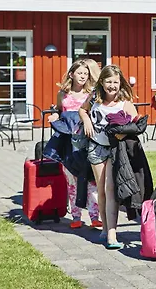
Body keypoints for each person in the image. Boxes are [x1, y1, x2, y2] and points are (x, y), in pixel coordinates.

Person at [79, 64, 138, 249]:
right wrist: (86, 120)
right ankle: (105, 229)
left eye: (115, 82)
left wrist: (123, 132)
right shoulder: (94, 98)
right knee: (101, 191)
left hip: (115, 150)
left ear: (121, 83)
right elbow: (82, 110)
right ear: (102, 82)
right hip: (96, 148)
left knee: (110, 189)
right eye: (108, 82)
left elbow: (137, 123)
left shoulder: (124, 103)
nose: (112, 86)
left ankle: (112, 234)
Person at [50, 60, 103, 229]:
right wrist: (55, 115)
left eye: (86, 74)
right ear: (71, 74)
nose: (83, 76)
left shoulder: (91, 94)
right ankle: (76, 216)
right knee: (72, 180)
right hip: (68, 142)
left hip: (86, 141)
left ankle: (95, 216)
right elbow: (59, 111)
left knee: (91, 181)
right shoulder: (62, 94)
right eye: (80, 73)